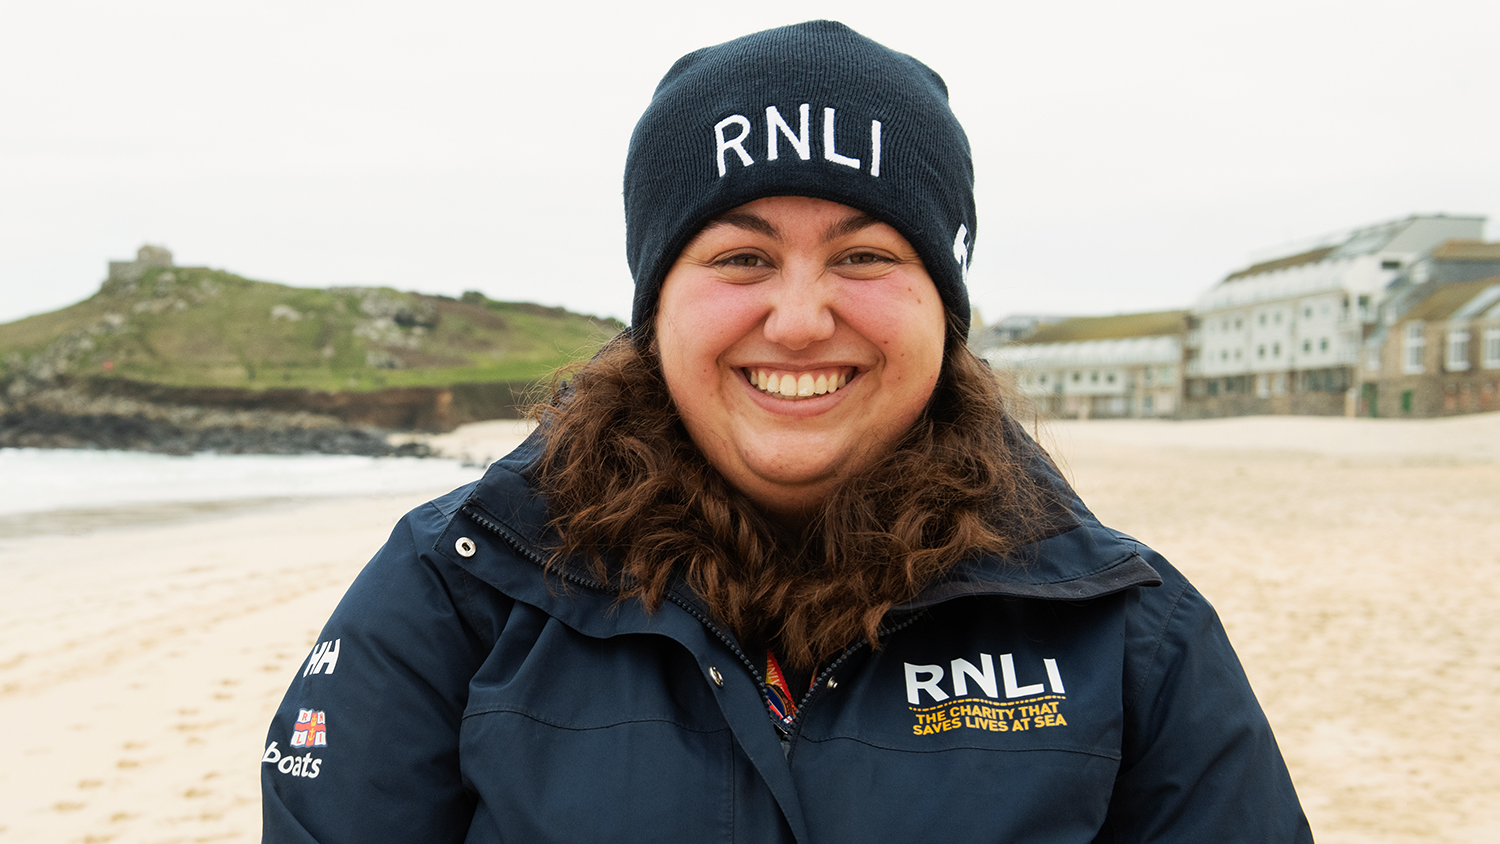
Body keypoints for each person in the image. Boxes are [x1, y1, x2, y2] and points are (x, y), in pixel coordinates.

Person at [261, 21, 1313, 843]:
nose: (802, 317)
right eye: (741, 259)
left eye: (863, 258)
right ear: (657, 304)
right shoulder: (459, 589)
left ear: (941, 310)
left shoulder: (1127, 632)